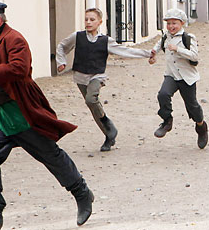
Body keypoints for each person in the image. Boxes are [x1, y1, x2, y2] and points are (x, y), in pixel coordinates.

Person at [0, 1, 94, 230]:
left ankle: (82, 193)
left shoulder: (15, 39)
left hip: (20, 111)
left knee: (50, 155)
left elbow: (18, 70)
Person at [56, 8, 155, 152]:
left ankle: (107, 124)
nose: (88, 22)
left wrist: (146, 54)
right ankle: (109, 135)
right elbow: (62, 46)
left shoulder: (105, 41)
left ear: (100, 22)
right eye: (86, 19)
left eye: (92, 20)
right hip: (80, 76)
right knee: (93, 107)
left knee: (91, 99)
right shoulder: (77, 36)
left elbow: (124, 50)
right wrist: (61, 62)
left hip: (97, 75)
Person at [149, 8, 209, 149]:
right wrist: (152, 55)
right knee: (163, 95)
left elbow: (195, 56)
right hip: (171, 75)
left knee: (192, 106)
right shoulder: (165, 37)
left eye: (174, 23)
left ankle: (201, 127)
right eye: (168, 23)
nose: (171, 26)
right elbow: (156, 48)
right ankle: (167, 121)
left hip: (186, 77)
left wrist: (178, 49)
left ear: (181, 23)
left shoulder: (188, 38)